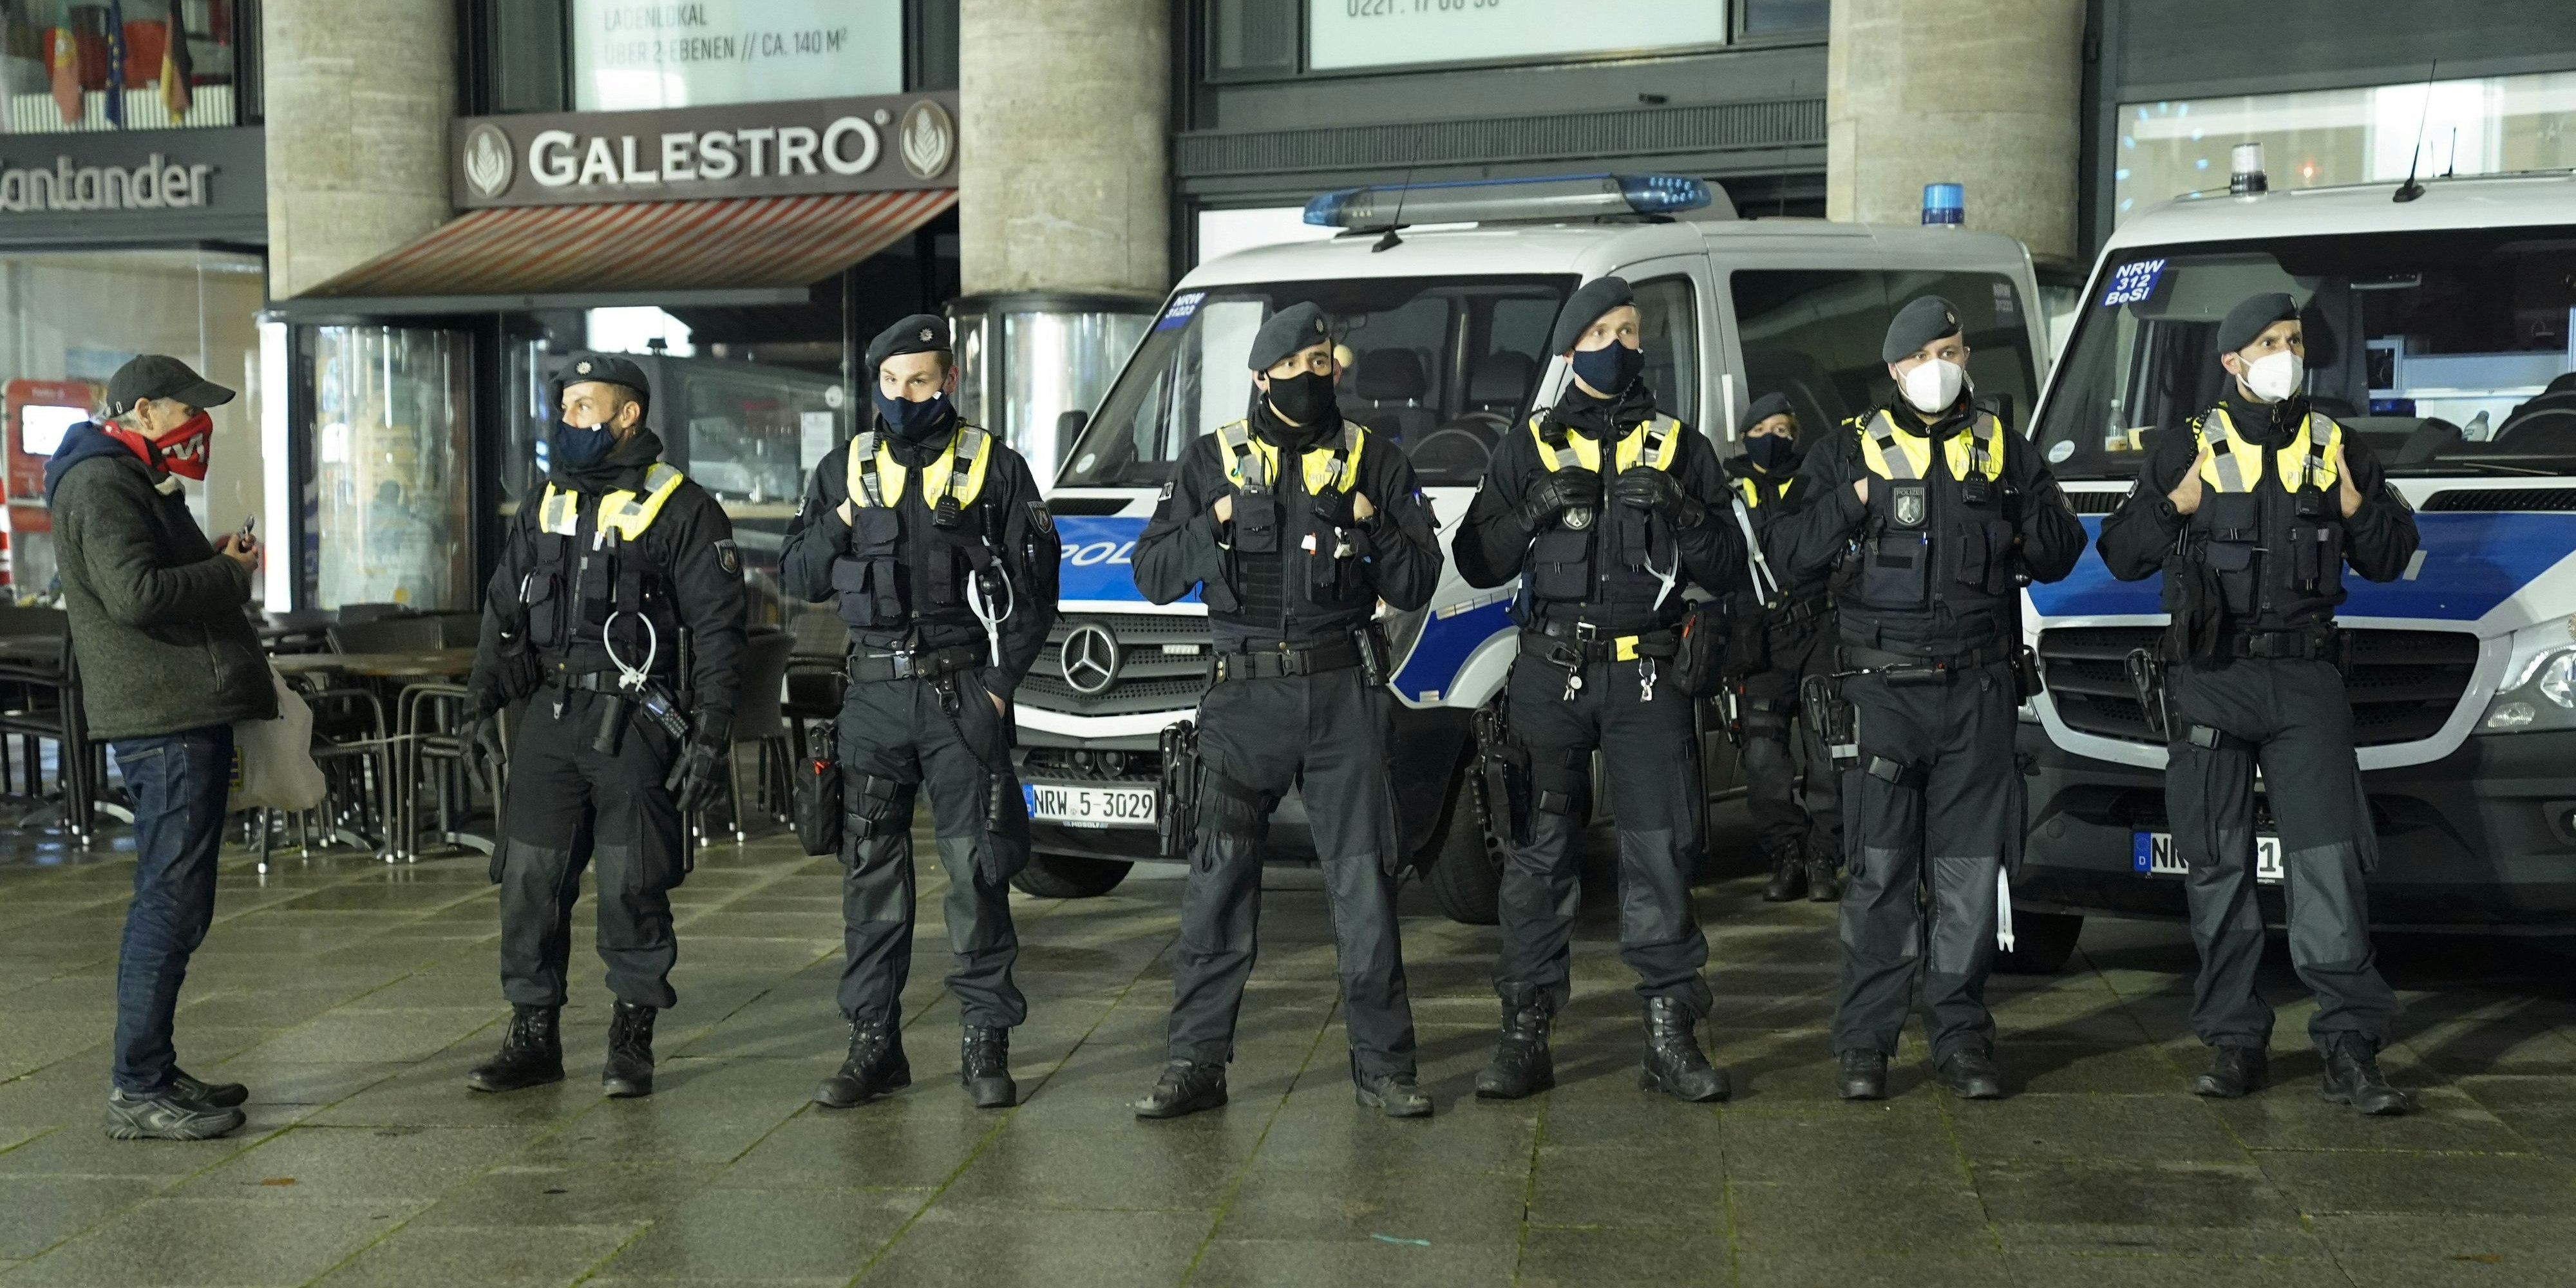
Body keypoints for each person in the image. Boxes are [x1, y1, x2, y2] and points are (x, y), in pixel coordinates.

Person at [2094, 292, 2414, 1115]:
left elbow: (2392, 555)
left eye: (2295, 339)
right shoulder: (2183, 447)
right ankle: (2235, 1040)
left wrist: (2354, 507)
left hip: (2306, 681)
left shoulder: (2334, 443)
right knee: (2217, 866)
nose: (2286, 353)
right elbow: (2120, 553)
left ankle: (2348, 1042)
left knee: (2327, 864)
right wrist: (2176, 505)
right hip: (2211, 676)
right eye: (2269, 341)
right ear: (2232, 361)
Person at [1765, 296, 2085, 1101]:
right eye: (1928, 353)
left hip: (1975, 689)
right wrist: (1853, 502)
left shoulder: (2002, 447)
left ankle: (1961, 1038)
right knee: (1876, 876)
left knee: (1969, 880)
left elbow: (2060, 549)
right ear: (1897, 367)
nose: (1945, 366)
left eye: (1956, 348)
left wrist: (2019, 512)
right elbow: (1785, 552)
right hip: (1882, 693)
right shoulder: (1849, 450)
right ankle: (1866, 1044)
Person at [1128, 301, 1441, 1121]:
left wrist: (1371, 531)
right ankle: (1195, 1062)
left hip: (1343, 692)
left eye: (1326, 363)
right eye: (1304, 367)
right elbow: (1152, 571)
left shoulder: (1373, 459)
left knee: (1363, 885)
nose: (1321, 377)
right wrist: (1216, 520)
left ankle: (1383, 1066)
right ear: (1263, 376)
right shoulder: (1212, 461)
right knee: (1216, 886)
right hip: (1244, 699)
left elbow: (1417, 581)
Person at [1451, 277, 1745, 1104]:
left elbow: (1730, 565)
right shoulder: (1530, 445)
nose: (1626, 344)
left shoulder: (1678, 445)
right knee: (1538, 857)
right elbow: (1476, 558)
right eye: (1609, 331)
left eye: (1634, 330)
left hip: (1648, 674)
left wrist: (1684, 514)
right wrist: (1534, 509)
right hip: (1550, 673)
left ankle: (1668, 1033)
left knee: (1661, 854)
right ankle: (1524, 1033)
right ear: (1573, 346)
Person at [777, 316, 1060, 1111]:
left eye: (922, 381)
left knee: (978, 875)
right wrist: (838, 518)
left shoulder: (993, 466)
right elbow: (797, 575)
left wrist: (1000, 686)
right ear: (876, 384)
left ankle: (985, 1042)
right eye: (893, 382)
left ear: (948, 382)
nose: (906, 396)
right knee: (870, 879)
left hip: (960, 696)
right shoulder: (845, 468)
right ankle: (874, 1043)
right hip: (870, 698)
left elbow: (1038, 594)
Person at [461, 353, 746, 1099]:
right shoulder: (546, 500)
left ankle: (631, 1036)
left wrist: (712, 732)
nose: (567, 421)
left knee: (633, 884)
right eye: (564, 408)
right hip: (548, 719)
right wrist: (479, 701)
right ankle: (533, 1034)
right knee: (527, 880)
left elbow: (719, 631)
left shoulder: (682, 507)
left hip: (635, 722)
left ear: (628, 416)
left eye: (584, 406)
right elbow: (502, 608)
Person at [47, 356, 270, 1141]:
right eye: (186, 410)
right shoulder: (103, 483)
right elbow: (136, 596)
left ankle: (156, 1068)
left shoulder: (127, 478)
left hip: (175, 710)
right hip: (164, 717)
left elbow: (145, 578)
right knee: (168, 903)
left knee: (179, 899)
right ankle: (138, 1086)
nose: (197, 424)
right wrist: (229, 573)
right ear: (142, 410)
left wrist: (207, 559)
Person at [1719, 393, 1843, 904]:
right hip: (1761, 641)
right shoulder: (1729, 491)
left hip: (1818, 633)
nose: (1776, 438)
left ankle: (1822, 858)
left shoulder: (1818, 482)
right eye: (1765, 428)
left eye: (1786, 429)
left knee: (1828, 751)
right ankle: (1786, 854)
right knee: (1766, 757)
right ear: (1746, 435)